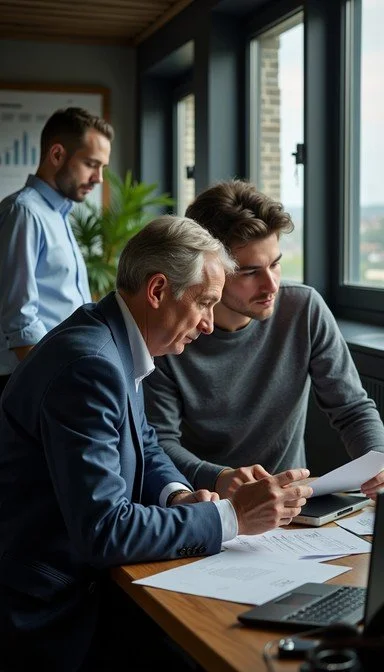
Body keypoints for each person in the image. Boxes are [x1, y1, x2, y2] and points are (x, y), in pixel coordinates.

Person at [0, 214, 312, 672]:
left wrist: (180, 495)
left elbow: (142, 441)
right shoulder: (92, 365)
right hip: (48, 612)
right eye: (205, 303)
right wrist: (232, 517)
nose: (209, 324)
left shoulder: (111, 334)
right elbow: (105, 531)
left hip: (83, 588)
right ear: (158, 290)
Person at [143, 179, 384, 501]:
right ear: (208, 270)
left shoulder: (304, 309)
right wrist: (219, 478)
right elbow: (159, 442)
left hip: (296, 506)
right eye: (250, 271)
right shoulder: (169, 335)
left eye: (275, 264)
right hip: (208, 505)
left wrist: (377, 460)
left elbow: (351, 408)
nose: (271, 285)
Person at [0, 106, 114, 395]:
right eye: (91, 164)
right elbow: (20, 318)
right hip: (34, 383)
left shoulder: (59, 215)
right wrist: (57, 383)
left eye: (102, 167)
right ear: (57, 155)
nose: (99, 177)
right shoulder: (23, 212)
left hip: (60, 374)